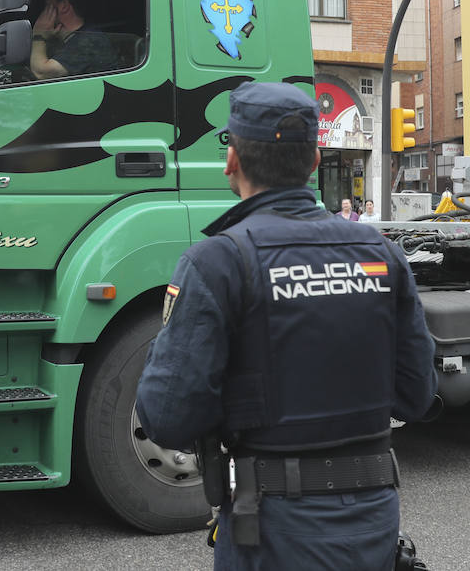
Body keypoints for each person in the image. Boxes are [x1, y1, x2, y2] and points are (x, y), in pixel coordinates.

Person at [135, 82, 438, 570]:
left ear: (232, 160)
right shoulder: (383, 255)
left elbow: (167, 417)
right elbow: (417, 395)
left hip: (272, 533)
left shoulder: (218, 262)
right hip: (373, 525)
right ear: (315, 161)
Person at [29, 0, 122, 80]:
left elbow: (42, 73)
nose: (43, 11)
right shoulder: (73, 38)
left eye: (48, 5)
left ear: (64, 6)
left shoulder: (90, 40)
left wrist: (39, 34)